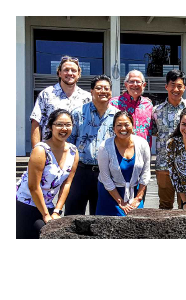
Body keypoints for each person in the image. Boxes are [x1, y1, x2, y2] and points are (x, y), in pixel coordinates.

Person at [16, 109, 79, 238]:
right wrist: (46, 215)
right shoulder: (41, 150)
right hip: (27, 203)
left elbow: (67, 184)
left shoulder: (73, 151)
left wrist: (57, 211)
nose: (64, 128)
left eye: (68, 124)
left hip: (48, 206)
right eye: (59, 124)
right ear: (50, 127)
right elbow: (33, 186)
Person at [65, 75, 119, 216]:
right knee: (73, 214)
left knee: (100, 217)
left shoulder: (117, 116)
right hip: (80, 172)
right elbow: (68, 143)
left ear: (111, 92)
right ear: (91, 91)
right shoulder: (78, 113)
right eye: (98, 88)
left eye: (106, 88)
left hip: (106, 173)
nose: (103, 91)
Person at [152, 70, 186, 209]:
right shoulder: (156, 111)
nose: (176, 89)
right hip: (164, 166)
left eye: (180, 86)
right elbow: (155, 133)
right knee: (165, 205)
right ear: (166, 86)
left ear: (184, 88)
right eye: (172, 85)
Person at [96, 111, 151, 216]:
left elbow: (146, 172)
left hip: (134, 194)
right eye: (119, 125)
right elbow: (105, 177)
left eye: (126, 125)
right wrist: (120, 201)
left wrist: (138, 198)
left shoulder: (142, 143)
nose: (123, 129)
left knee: (136, 226)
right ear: (113, 128)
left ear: (132, 126)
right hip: (110, 193)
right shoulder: (105, 147)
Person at [30, 55, 91, 148]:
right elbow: (36, 122)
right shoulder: (47, 94)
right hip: (49, 152)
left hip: (77, 153)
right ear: (59, 73)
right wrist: (36, 150)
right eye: (66, 70)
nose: (70, 73)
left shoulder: (87, 98)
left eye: (74, 70)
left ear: (78, 74)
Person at [110, 70, 153, 147]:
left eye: (138, 81)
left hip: (143, 152)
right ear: (126, 85)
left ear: (144, 85)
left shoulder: (148, 104)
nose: (135, 84)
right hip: (120, 151)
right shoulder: (114, 103)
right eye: (132, 81)